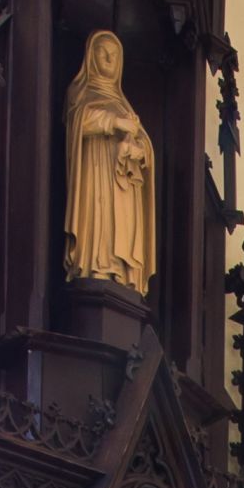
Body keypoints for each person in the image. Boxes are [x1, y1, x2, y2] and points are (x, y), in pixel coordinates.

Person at [61, 26, 156, 295]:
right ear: (91, 57)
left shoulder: (124, 104)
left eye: (114, 54)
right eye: (103, 52)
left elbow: (144, 145)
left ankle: (123, 273)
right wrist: (114, 122)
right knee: (99, 223)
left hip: (121, 184)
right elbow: (78, 122)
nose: (109, 59)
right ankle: (96, 267)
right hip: (96, 171)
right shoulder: (80, 92)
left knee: (121, 226)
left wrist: (138, 150)